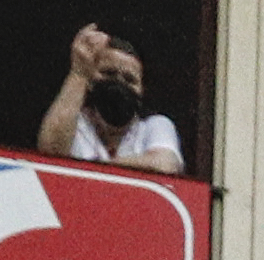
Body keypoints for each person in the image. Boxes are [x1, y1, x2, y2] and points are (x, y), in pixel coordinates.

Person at [36, 27, 184, 172]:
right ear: (91, 79)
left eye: (129, 79)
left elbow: (165, 165)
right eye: (109, 73)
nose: (119, 83)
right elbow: (50, 153)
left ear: (141, 90)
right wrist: (79, 73)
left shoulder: (154, 126)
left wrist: (94, 168)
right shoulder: (74, 125)